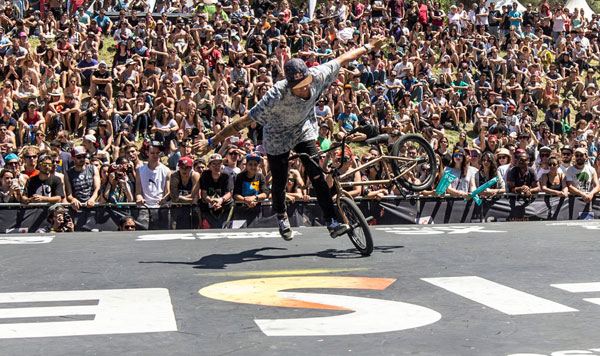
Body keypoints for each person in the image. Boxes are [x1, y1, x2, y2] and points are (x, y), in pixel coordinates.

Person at [197, 35, 387, 240]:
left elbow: (344, 58)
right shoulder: (275, 95)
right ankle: (281, 217)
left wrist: (368, 46)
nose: (304, 88)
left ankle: (332, 220)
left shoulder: (318, 74)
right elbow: (242, 122)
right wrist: (212, 141)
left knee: (317, 174)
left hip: (303, 130)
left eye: (306, 83)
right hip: (277, 137)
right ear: (289, 83)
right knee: (279, 179)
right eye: (299, 86)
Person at [65, 146, 100, 210]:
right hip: (77, 207)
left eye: (84, 156)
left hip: (93, 205)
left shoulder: (93, 169)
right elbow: (69, 194)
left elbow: (97, 188)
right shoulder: (68, 173)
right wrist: (73, 199)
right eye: (79, 157)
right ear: (72, 158)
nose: (82, 159)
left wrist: (92, 199)